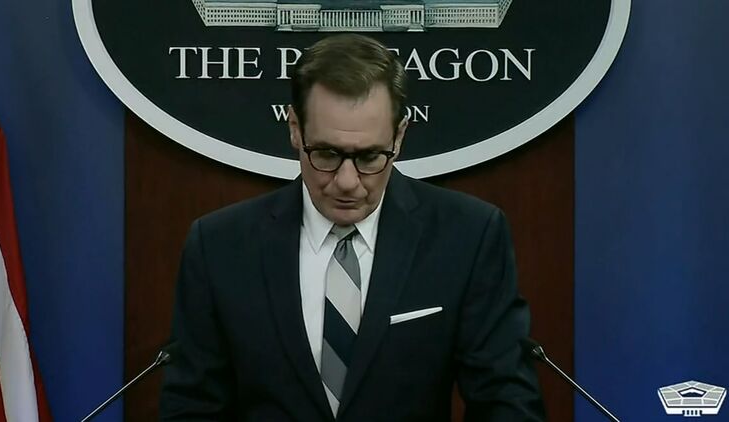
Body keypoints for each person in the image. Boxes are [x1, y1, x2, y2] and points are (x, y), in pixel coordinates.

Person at [160, 34, 545, 421]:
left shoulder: (467, 237)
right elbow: (191, 409)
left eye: (370, 156)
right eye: (326, 153)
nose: (347, 181)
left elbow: (506, 401)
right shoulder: (219, 247)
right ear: (294, 129)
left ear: (399, 136)